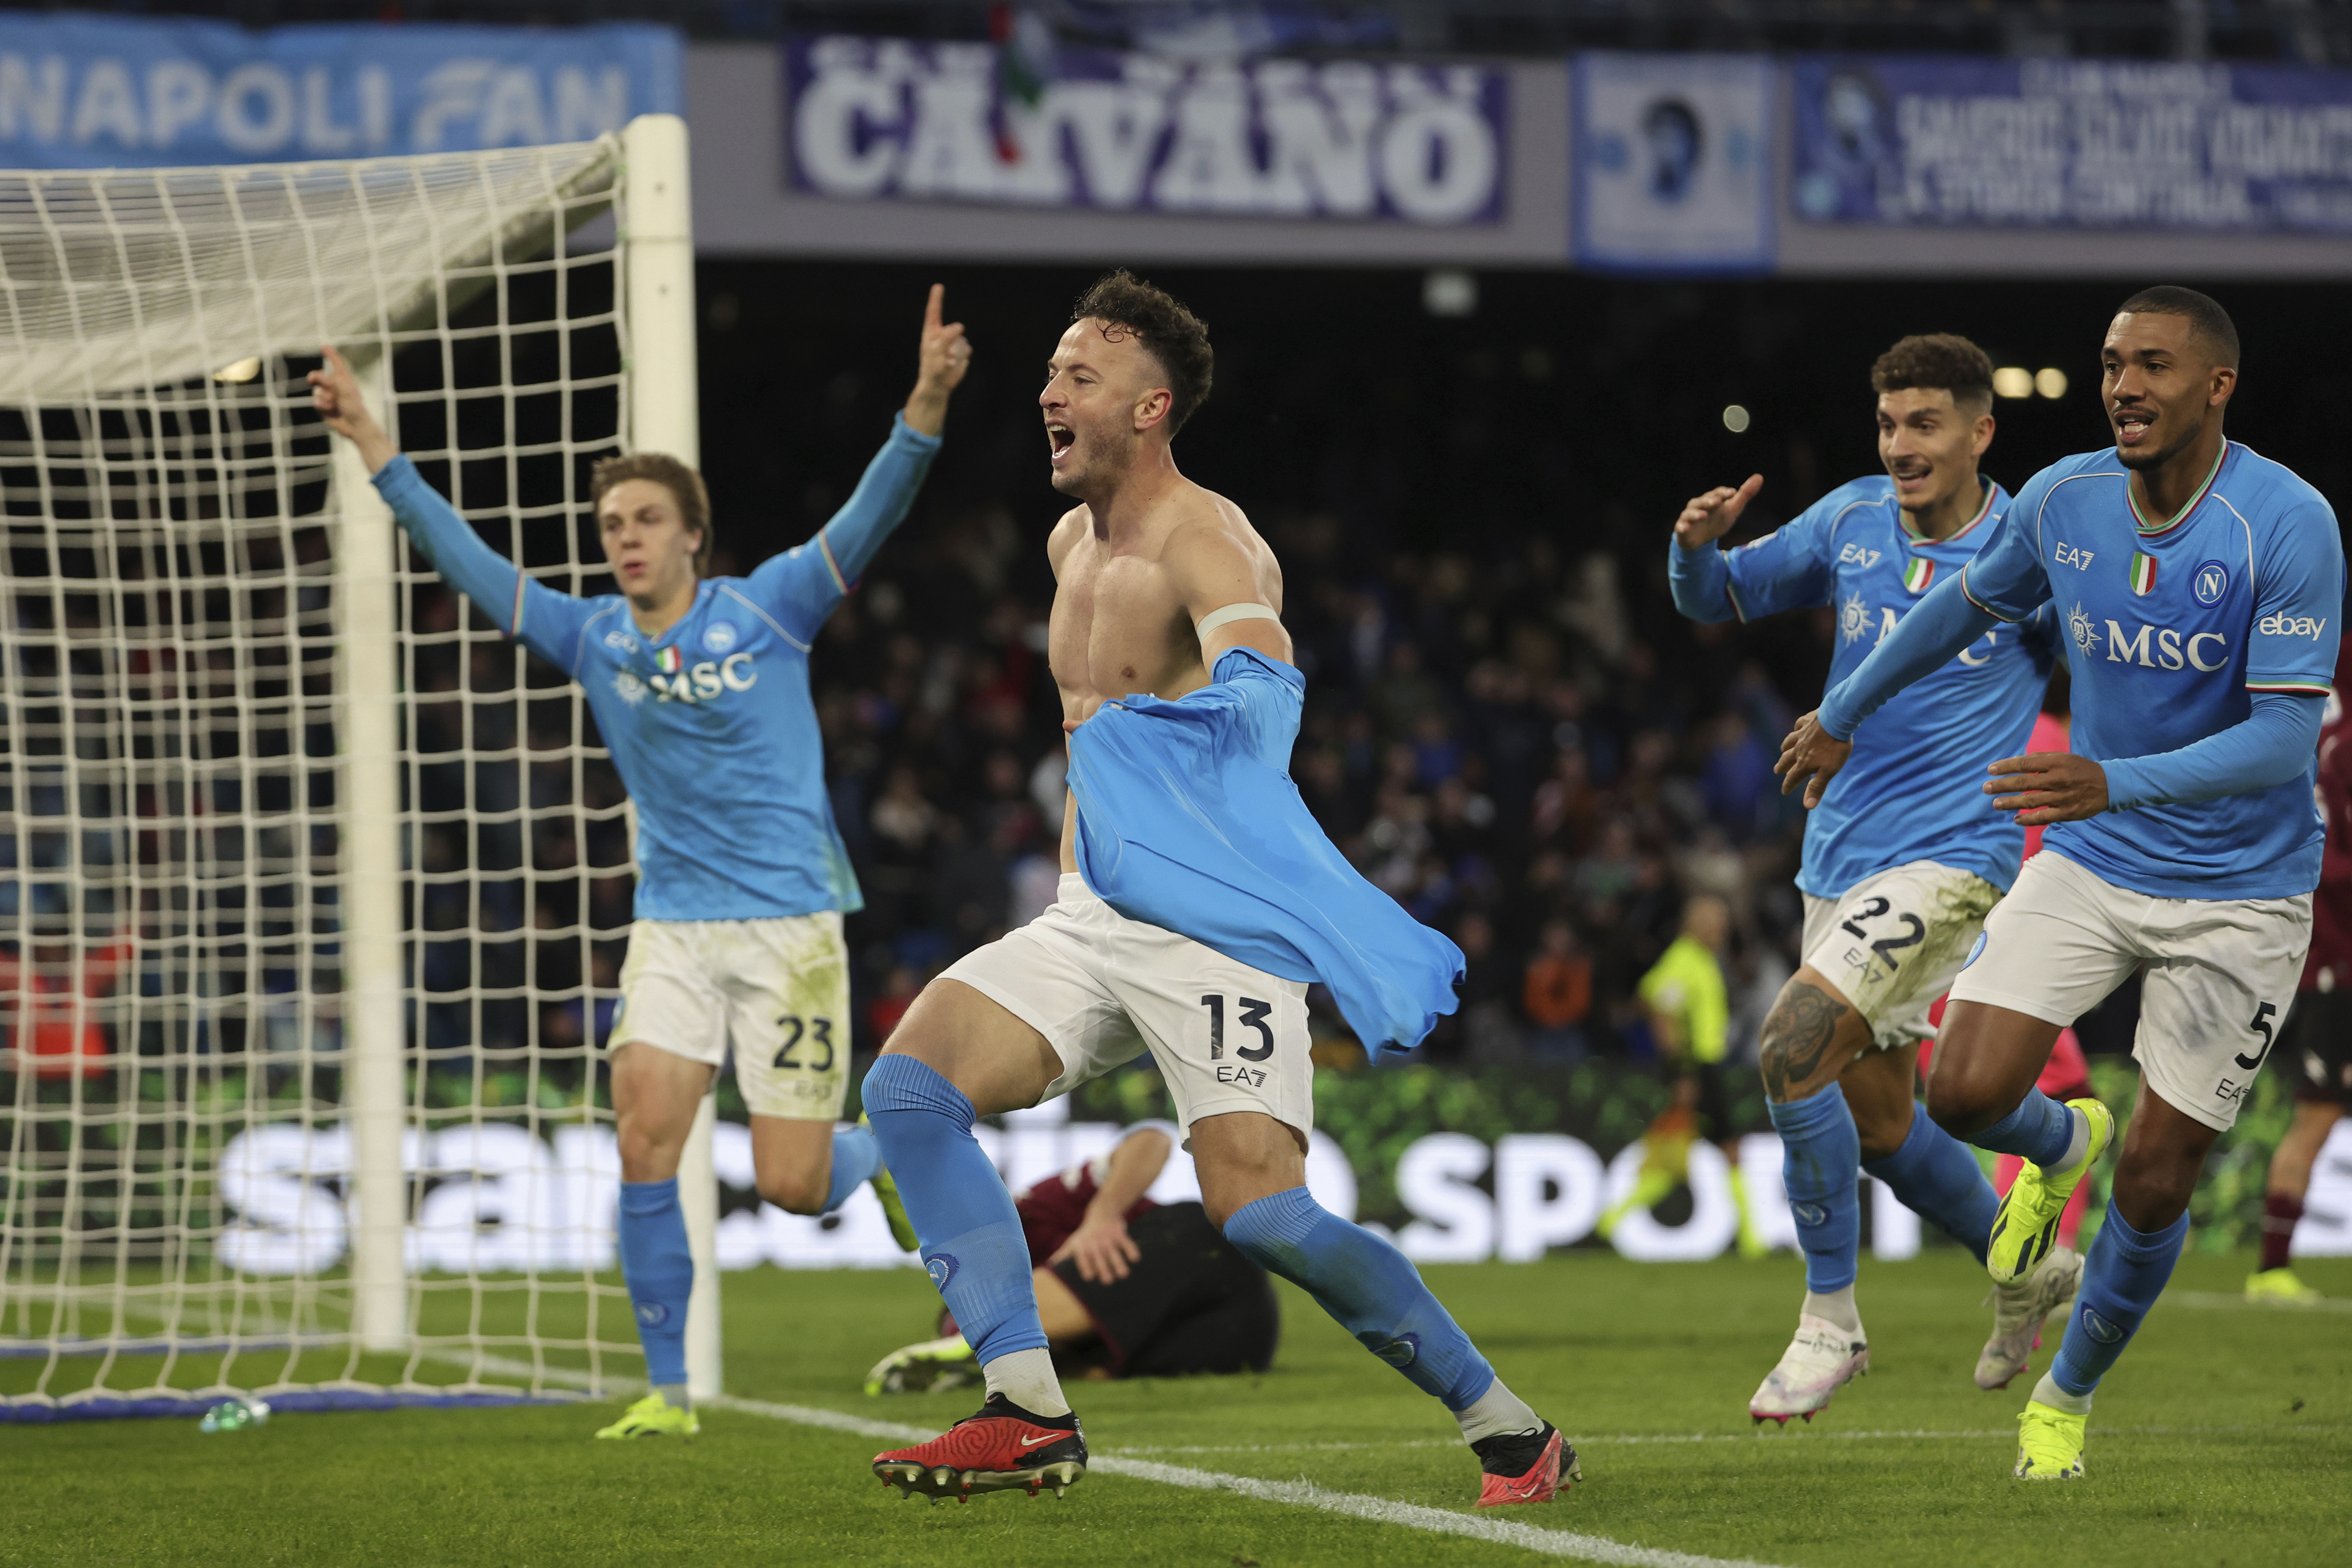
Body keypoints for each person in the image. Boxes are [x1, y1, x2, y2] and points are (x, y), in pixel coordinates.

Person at [858, 270, 1568, 1509]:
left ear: (1151, 408)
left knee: (1262, 1216)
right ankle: (1025, 1410)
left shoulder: (1209, 540)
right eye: (1051, 371)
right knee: (909, 1090)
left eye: (1080, 375)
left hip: (1215, 932)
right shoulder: (1069, 544)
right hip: (1089, 914)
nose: (1049, 391)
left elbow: (1261, 673)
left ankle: (1510, 1431)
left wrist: (1238, 698)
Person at [308, 287, 972, 1440]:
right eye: (612, 520)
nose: (624, 535)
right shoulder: (590, 636)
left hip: (790, 928)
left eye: (646, 518)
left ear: (690, 536)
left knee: (792, 1184)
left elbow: (875, 509)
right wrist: (374, 444)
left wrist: (924, 401)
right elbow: (463, 559)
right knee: (643, 1137)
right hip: (671, 926)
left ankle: (872, 1159)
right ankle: (666, 1394)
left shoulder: (770, 609)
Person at [1777, 286, 2343, 1480]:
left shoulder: (2285, 522)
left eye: (2153, 366)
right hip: (2095, 860)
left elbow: (2285, 739)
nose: (2123, 386)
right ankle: (2060, 1139)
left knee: (2159, 1177)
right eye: (2111, 364)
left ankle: (2064, 1394)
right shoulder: (2060, 498)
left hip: (2239, 890)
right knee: (1961, 1093)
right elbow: (1954, 610)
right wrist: (1840, 711)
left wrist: (2111, 780)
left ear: (2216, 386)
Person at [1668, 334, 2074, 1424]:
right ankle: (2037, 1237)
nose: (1900, 445)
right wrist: (1693, 552)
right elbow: (1717, 600)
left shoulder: (2028, 558)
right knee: (1886, 1127)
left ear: (1980, 433)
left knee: (1789, 1043)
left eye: (1924, 424)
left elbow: (2101, 671)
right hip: (1836, 859)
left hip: (1953, 857)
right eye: (1888, 423)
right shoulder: (1850, 518)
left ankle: (1829, 1322)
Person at [862, 1123, 1279, 1393]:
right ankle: (1007, 1353)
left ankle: (997, 1345)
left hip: (1214, 1280)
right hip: (1195, 1346)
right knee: (1080, 1357)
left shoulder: (1034, 1208)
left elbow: (1153, 1140)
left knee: (1192, 1224)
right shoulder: (968, 1281)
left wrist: (1103, 1214)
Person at [2248, 656, 2352, 1303]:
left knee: (2316, 1114)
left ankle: (2271, 1269)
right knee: (2316, 1114)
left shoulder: (2309, 720)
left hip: (2323, 951)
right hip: (2335, 960)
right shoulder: (2338, 744)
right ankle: (2270, 1269)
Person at [1599, 895, 1766, 1257]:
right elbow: (1659, 1009)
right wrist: (1682, 1072)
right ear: (1700, 925)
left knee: (1682, 1155)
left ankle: (1611, 1219)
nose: (1723, 930)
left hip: (1703, 1067)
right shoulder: (1684, 960)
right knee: (1721, 1150)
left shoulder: (1701, 959)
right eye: (1717, 923)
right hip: (1695, 1069)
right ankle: (1753, 1242)